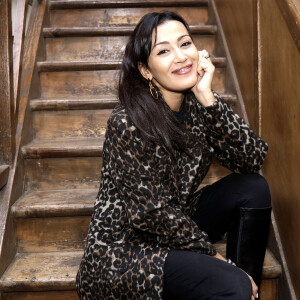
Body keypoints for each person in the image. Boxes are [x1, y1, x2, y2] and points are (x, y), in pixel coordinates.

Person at [76, 11, 272, 300]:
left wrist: (208, 99)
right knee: (232, 282)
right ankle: (236, 284)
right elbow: (152, 213)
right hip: (127, 249)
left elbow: (251, 159)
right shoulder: (126, 122)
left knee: (253, 188)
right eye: (164, 50)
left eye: (185, 43)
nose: (181, 56)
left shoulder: (197, 105)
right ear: (146, 70)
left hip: (176, 225)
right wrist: (216, 260)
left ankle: (242, 288)